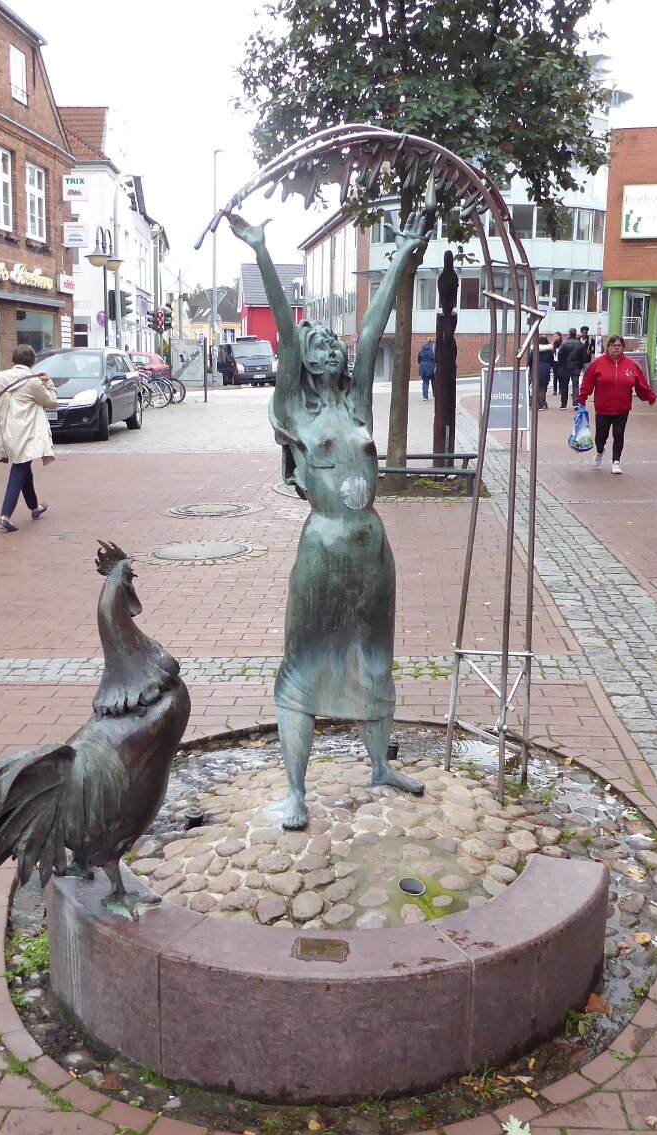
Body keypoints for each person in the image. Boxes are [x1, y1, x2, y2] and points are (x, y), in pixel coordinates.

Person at [229, 205, 432, 831]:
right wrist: (263, 253)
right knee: (306, 663)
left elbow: (371, 330)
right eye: (319, 345)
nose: (332, 348)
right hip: (322, 549)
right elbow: (285, 332)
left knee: (375, 657)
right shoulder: (296, 409)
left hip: (371, 549)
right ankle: (296, 790)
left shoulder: (357, 405)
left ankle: (380, 765)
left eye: (332, 344)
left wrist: (402, 254)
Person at [0, 344, 57, 531]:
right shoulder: (34, 382)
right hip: (27, 434)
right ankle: (5, 516)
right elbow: (51, 401)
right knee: (19, 469)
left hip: (7, 433)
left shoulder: (1, 378)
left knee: (24, 467)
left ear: (12, 360)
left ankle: (34, 507)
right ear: (33, 362)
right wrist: (48, 383)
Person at [576, 334, 656, 475]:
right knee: (601, 437)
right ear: (608, 347)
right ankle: (600, 451)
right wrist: (582, 398)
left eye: (619, 346)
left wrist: (650, 396)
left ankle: (616, 461)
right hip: (603, 408)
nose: (617, 348)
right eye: (613, 345)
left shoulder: (631, 365)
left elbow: (641, 383)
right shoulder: (597, 364)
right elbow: (587, 382)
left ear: (623, 347)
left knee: (618, 434)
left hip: (622, 408)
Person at [554, 327, 581, 408]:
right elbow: (583, 355)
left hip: (565, 367)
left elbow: (560, 354)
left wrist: (561, 364)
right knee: (575, 385)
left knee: (564, 385)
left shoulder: (564, 343)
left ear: (569, 334)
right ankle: (575, 402)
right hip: (576, 367)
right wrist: (580, 365)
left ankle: (563, 404)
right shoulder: (579, 343)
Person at [533, 334, 557, 409]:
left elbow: (530, 360)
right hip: (546, 370)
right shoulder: (549, 351)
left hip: (536, 369)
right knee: (543, 387)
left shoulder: (534, 349)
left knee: (536, 387)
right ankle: (541, 402)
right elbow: (552, 361)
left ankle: (537, 402)